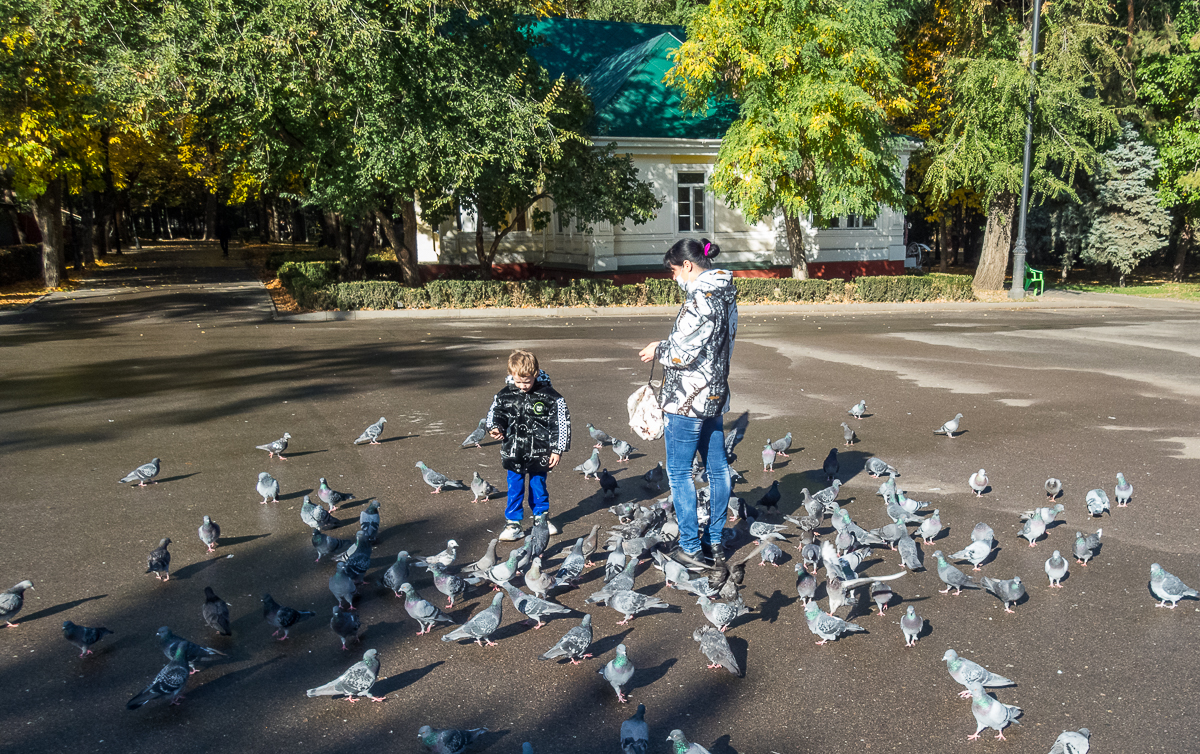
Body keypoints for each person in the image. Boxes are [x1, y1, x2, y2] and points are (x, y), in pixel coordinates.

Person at [639, 237, 738, 568]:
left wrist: (659, 350)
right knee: (718, 468)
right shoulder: (726, 294)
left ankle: (691, 547)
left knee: (680, 472)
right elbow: (712, 344)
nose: (673, 277)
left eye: (673, 270)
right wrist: (669, 343)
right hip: (715, 392)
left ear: (688, 265)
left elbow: (682, 353)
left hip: (686, 399)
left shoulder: (699, 299)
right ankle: (716, 541)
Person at [486, 350, 571, 542]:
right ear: (511, 375)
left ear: (536, 374)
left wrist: (557, 449)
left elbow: (560, 423)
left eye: (528, 382)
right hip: (513, 451)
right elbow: (495, 413)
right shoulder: (504, 395)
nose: (523, 386)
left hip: (539, 452)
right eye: (518, 382)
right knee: (514, 487)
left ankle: (541, 519)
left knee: (538, 486)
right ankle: (513, 523)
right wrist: (494, 427)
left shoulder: (551, 396)